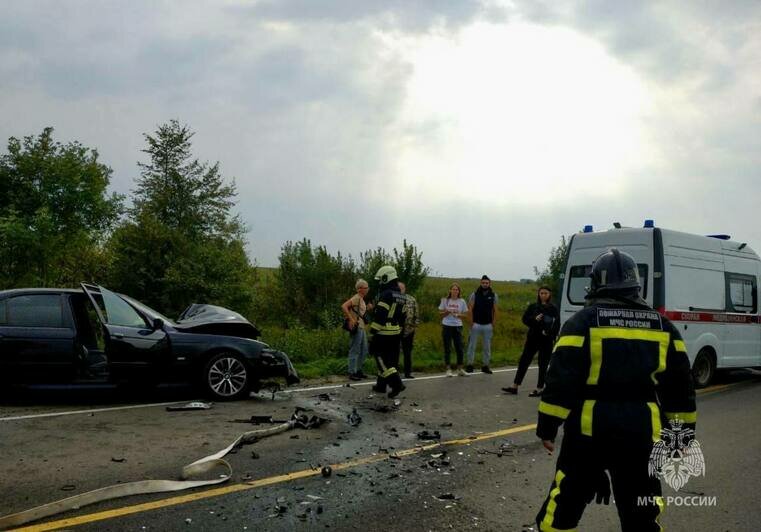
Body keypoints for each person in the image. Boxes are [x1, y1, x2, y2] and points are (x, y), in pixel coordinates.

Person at [534, 248, 696, 532]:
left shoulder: (582, 322)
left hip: (588, 432)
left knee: (563, 507)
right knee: (642, 513)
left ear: (596, 284)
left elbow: (560, 380)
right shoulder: (664, 327)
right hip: (642, 433)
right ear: (637, 285)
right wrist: (681, 438)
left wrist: (547, 427)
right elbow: (679, 390)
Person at [502, 285, 559, 396]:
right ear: (538, 294)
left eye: (545, 293)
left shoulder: (553, 308)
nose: (543, 295)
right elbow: (524, 319)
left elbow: (557, 324)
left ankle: (539, 388)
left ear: (549, 295)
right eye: (541, 293)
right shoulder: (533, 307)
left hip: (546, 340)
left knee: (543, 364)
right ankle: (515, 386)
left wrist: (549, 333)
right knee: (524, 361)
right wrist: (534, 319)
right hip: (532, 339)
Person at [368, 265, 407, 398]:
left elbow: (380, 316)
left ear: (387, 277)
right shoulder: (401, 296)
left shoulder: (386, 294)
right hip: (396, 332)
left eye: (381, 279)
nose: (380, 282)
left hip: (383, 333)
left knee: (381, 359)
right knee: (391, 360)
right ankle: (381, 385)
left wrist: (372, 332)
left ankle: (397, 384)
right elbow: (403, 316)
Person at [465, 275, 498, 374]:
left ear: (489, 283)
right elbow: (470, 309)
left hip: (488, 325)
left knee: (487, 347)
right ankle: (470, 365)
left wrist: (494, 323)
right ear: (480, 283)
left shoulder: (494, 295)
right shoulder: (474, 294)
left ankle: (485, 366)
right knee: (472, 346)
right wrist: (471, 322)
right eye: (483, 283)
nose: (485, 284)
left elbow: (495, 310)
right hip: (476, 324)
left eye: (486, 283)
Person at [341, 279, 371, 381]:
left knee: (364, 349)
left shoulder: (361, 299)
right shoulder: (356, 298)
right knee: (355, 349)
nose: (368, 289)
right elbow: (344, 306)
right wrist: (351, 319)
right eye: (366, 288)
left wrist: (368, 308)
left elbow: (359, 312)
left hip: (362, 327)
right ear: (360, 289)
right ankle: (351, 372)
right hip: (357, 327)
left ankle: (358, 370)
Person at [438, 283, 468, 377]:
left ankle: (460, 369)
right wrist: (447, 312)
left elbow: (466, 315)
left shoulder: (462, 301)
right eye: (453, 289)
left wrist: (458, 315)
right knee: (447, 348)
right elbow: (440, 314)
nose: (455, 291)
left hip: (458, 326)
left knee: (459, 348)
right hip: (447, 325)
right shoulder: (445, 300)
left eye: (457, 290)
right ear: (450, 290)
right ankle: (448, 369)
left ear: (459, 291)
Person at [398, 281, 421, 379]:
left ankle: (408, 372)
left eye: (402, 288)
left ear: (405, 289)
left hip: (409, 330)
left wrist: (415, 326)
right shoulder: (393, 299)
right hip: (395, 329)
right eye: (398, 288)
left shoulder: (411, 299)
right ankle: (394, 373)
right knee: (395, 352)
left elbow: (416, 314)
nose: (400, 290)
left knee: (407, 352)